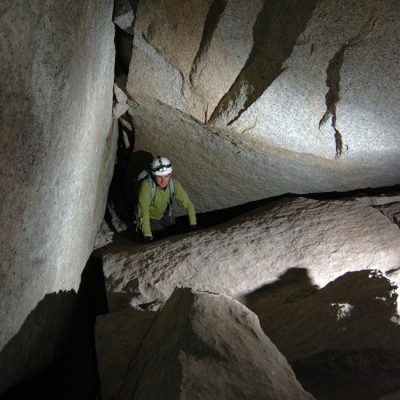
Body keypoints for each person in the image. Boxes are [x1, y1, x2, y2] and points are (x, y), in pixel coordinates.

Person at [136, 156, 197, 242]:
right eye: (159, 177)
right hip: (150, 219)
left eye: (166, 177)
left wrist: (193, 225)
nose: (163, 181)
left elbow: (188, 204)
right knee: (163, 237)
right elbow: (143, 212)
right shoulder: (146, 186)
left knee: (176, 232)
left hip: (164, 216)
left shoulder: (174, 184)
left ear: (170, 175)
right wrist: (147, 235)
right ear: (154, 175)